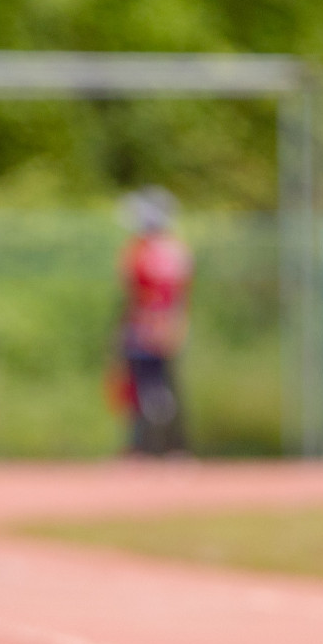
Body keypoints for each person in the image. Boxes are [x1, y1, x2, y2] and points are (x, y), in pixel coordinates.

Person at [117, 186, 192, 455]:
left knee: (145, 390)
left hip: (143, 327)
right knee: (164, 388)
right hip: (166, 326)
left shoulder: (139, 251)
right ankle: (171, 448)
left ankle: (146, 448)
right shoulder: (177, 250)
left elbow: (130, 293)